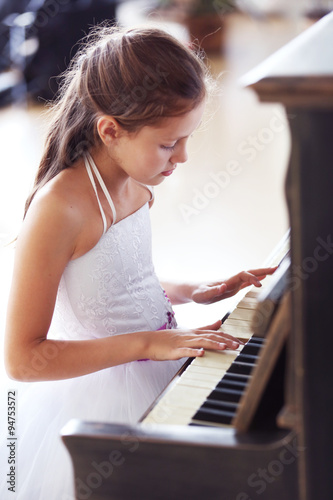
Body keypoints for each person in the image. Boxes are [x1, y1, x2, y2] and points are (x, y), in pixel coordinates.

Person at [2, 25, 276, 499]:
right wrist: (147, 342)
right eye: (170, 144)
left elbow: (109, 281)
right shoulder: (58, 211)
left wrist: (193, 290)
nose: (183, 157)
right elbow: (23, 360)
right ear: (110, 130)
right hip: (99, 392)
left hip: (149, 355)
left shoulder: (130, 181)